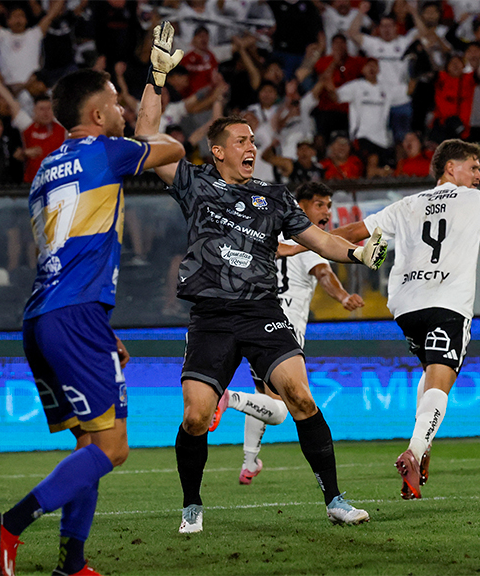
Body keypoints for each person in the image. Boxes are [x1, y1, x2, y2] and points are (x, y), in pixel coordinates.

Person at [133, 22, 387, 532]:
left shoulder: (274, 196)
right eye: (242, 140)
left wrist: (359, 255)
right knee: (196, 417)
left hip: (262, 311)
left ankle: (335, 499)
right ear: (219, 150)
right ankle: (192, 505)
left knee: (300, 397)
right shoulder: (194, 182)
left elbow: (321, 240)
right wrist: (157, 79)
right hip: (210, 315)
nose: (252, 146)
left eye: (254, 139)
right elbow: (144, 137)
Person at [0, 49, 187, 576]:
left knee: (89, 443)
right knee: (113, 449)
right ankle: (11, 523)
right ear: (97, 116)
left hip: (46, 315)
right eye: (115, 102)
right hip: (74, 316)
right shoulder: (105, 151)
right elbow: (173, 146)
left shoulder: (46, 167)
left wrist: (101, 329)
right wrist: (155, 86)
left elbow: (73, 252)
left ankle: (72, 563)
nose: (119, 111)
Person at [331, 139, 480, 500]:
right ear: (451, 168)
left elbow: (356, 231)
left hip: (405, 307)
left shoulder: (407, 204)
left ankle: (423, 445)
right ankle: (414, 453)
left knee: (430, 373)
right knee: (441, 382)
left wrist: (299, 240)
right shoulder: (475, 200)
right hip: (447, 303)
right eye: (474, 167)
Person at [214, 181, 366, 485]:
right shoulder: (308, 237)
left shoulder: (269, 232)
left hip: (253, 322)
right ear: (301, 205)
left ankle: (249, 461)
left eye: (328, 205)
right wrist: (343, 297)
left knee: (263, 394)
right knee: (284, 408)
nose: (326, 211)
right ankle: (229, 399)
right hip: (285, 331)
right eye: (319, 204)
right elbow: (324, 272)